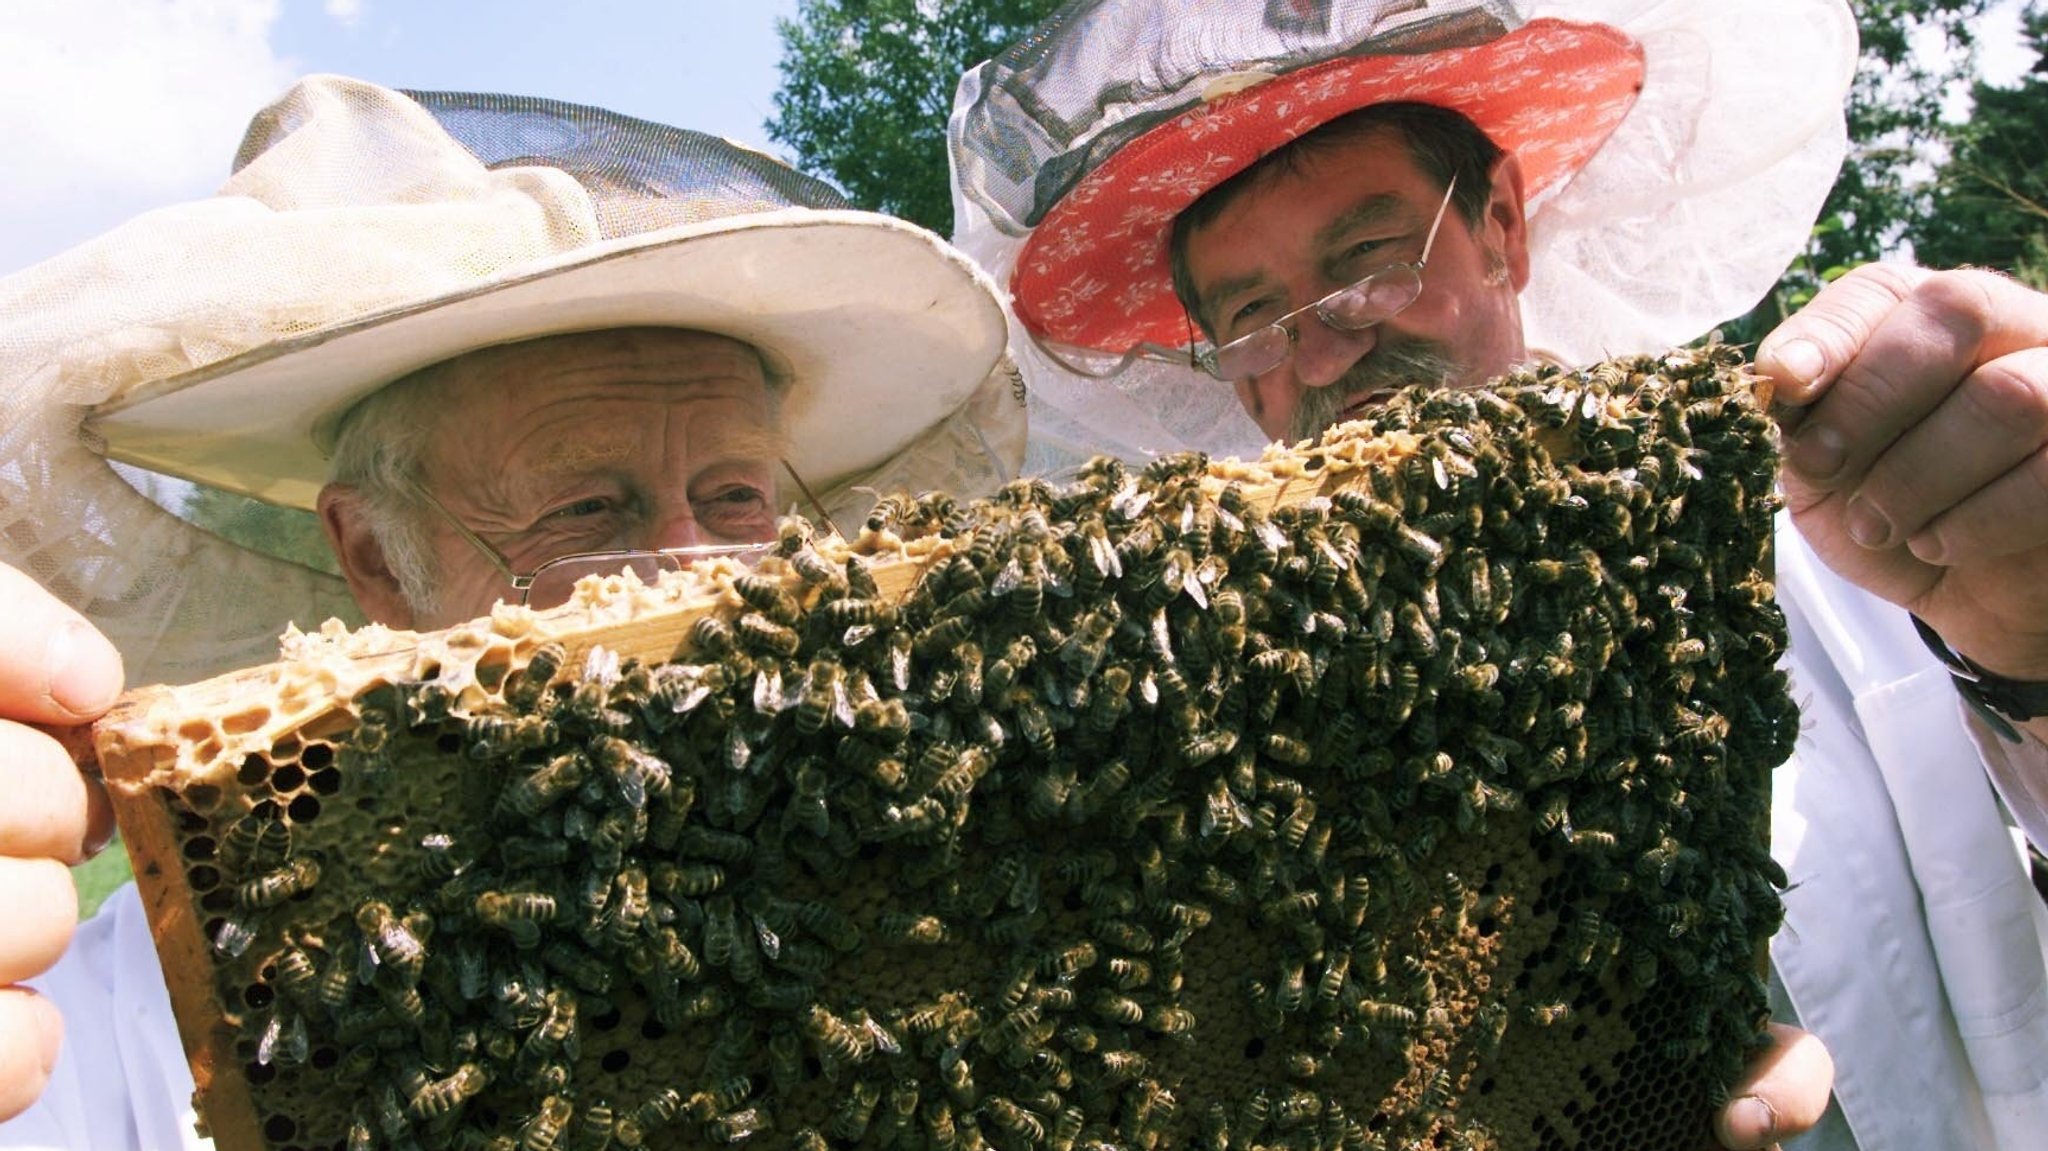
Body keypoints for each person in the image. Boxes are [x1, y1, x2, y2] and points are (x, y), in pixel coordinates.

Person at [948, 1, 2048, 1149]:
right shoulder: (1208, 714)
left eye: (1367, 261)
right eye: (1251, 319)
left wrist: (2028, 647)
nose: (1321, 352)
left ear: (1500, 228)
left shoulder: (1826, 543)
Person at [0, 75, 1024, 1148]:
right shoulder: (136, 1017)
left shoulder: (949, 846)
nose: (700, 574)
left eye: (736, 496)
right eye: (585, 507)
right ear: (376, 557)